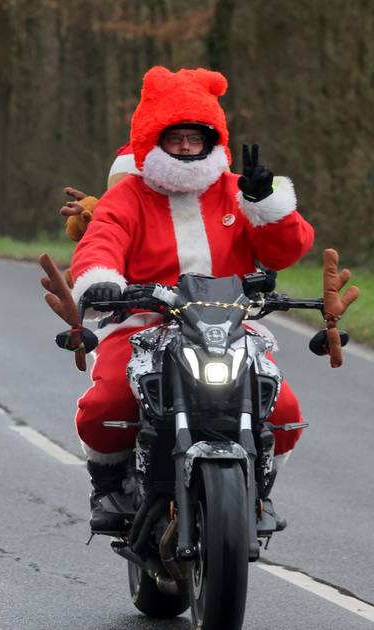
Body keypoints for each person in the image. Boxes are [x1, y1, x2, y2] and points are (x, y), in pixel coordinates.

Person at [68, 66, 314, 532]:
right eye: (175, 138)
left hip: (231, 325)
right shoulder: (128, 197)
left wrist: (265, 204)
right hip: (144, 323)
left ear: (211, 141)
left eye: (194, 138)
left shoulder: (237, 191)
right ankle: (108, 485)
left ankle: (259, 490)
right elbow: (100, 242)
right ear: (155, 140)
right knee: (108, 402)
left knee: (282, 409)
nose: (185, 147)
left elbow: (287, 251)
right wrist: (102, 281)